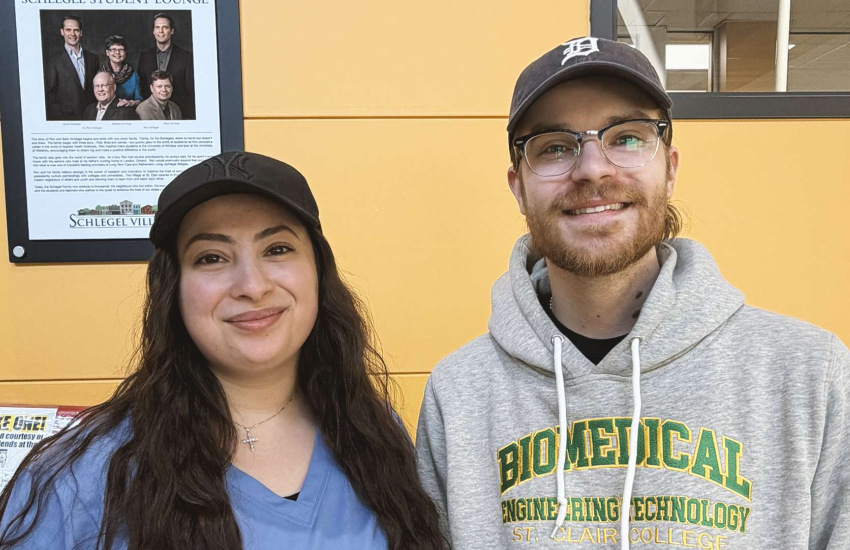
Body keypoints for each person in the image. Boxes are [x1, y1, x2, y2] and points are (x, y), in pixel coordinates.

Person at [415, 36, 850, 549]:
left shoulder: (808, 374)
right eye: (555, 146)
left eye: (626, 137)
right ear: (518, 186)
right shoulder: (460, 393)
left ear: (669, 167)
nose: (594, 168)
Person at [0, 152, 445, 550]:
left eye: (278, 249)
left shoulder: (372, 432)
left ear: (318, 272)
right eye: (211, 257)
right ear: (173, 289)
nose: (252, 286)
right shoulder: (80, 475)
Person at [138, 13, 195, 119]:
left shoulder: (186, 57)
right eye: (157, 27)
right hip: (151, 115)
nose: (161, 31)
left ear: (172, 31)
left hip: (179, 114)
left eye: (165, 27)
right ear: (153, 31)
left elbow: (191, 91)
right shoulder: (145, 56)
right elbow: (143, 86)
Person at [44, 15, 100, 120]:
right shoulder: (54, 60)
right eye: (68, 30)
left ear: (81, 33)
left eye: (76, 30)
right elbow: (50, 94)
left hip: (91, 117)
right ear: (62, 32)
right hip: (66, 118)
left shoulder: (93, 58)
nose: (72, 34)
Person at [101, 35, 143, 108]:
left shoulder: (133, 74)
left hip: (127, 111)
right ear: (107, 52)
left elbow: (139, 100)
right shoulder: (101, 74)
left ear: (125, 53)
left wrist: (131, 102)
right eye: (113, 49)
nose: (117, 52)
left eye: (121, 50)